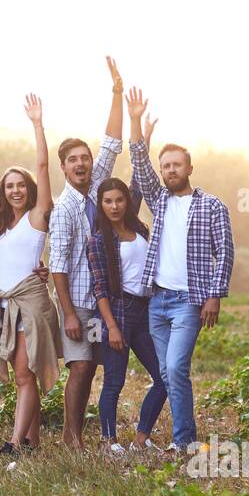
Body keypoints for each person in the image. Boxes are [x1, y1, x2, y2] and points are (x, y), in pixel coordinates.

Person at [126, 86, 234, 452]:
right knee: (168, 376)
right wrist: (136, 120)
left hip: (190, 301)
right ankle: (182, 440)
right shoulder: (159, 200)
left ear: (189, 168)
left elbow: (226, 253)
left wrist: (214, 297)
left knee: (175, 369)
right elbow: (138, 161)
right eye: (165, 166)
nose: (170, 170)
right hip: (157, 301)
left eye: (176, 165)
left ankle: (184, 440)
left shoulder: (212, 206)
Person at [0, 94, 62, 457]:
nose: (15, 189)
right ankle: (33, 442)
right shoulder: (4, 227)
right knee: (22, 377)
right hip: (5, 303)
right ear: (3, 191)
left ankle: (13, 444)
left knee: (26, 375)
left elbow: (43, 166)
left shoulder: (38, 216)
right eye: (9, 186)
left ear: (28, 188)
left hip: (31, 302)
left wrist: (38, 125)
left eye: (20, 185)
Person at [47, 55, 124, 449]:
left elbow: (112, 142)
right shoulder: (63, 211)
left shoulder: (99, 189)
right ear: (63, 168)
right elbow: (57, 266)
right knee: (79, 365)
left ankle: (75, 432)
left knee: (91, 366)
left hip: (103, 301)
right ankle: (71, 437)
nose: (81, 163)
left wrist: (116, 93)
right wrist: (69, 314)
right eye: (73, 160)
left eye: (84, 158)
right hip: (78, 303)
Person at [87, 177, 168, 456]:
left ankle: (141, 438)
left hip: (144, 311)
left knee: (163, 376)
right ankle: (109, 441)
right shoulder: (99, 241)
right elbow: (99, 288)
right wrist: (111, 328)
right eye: (107, 201)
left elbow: (138, 179)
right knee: (114, 381)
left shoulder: (138, 229)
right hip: (116, 314)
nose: (114, 206)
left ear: (127, 201)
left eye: (119, 200)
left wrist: (141, 137)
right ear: (100, 204)